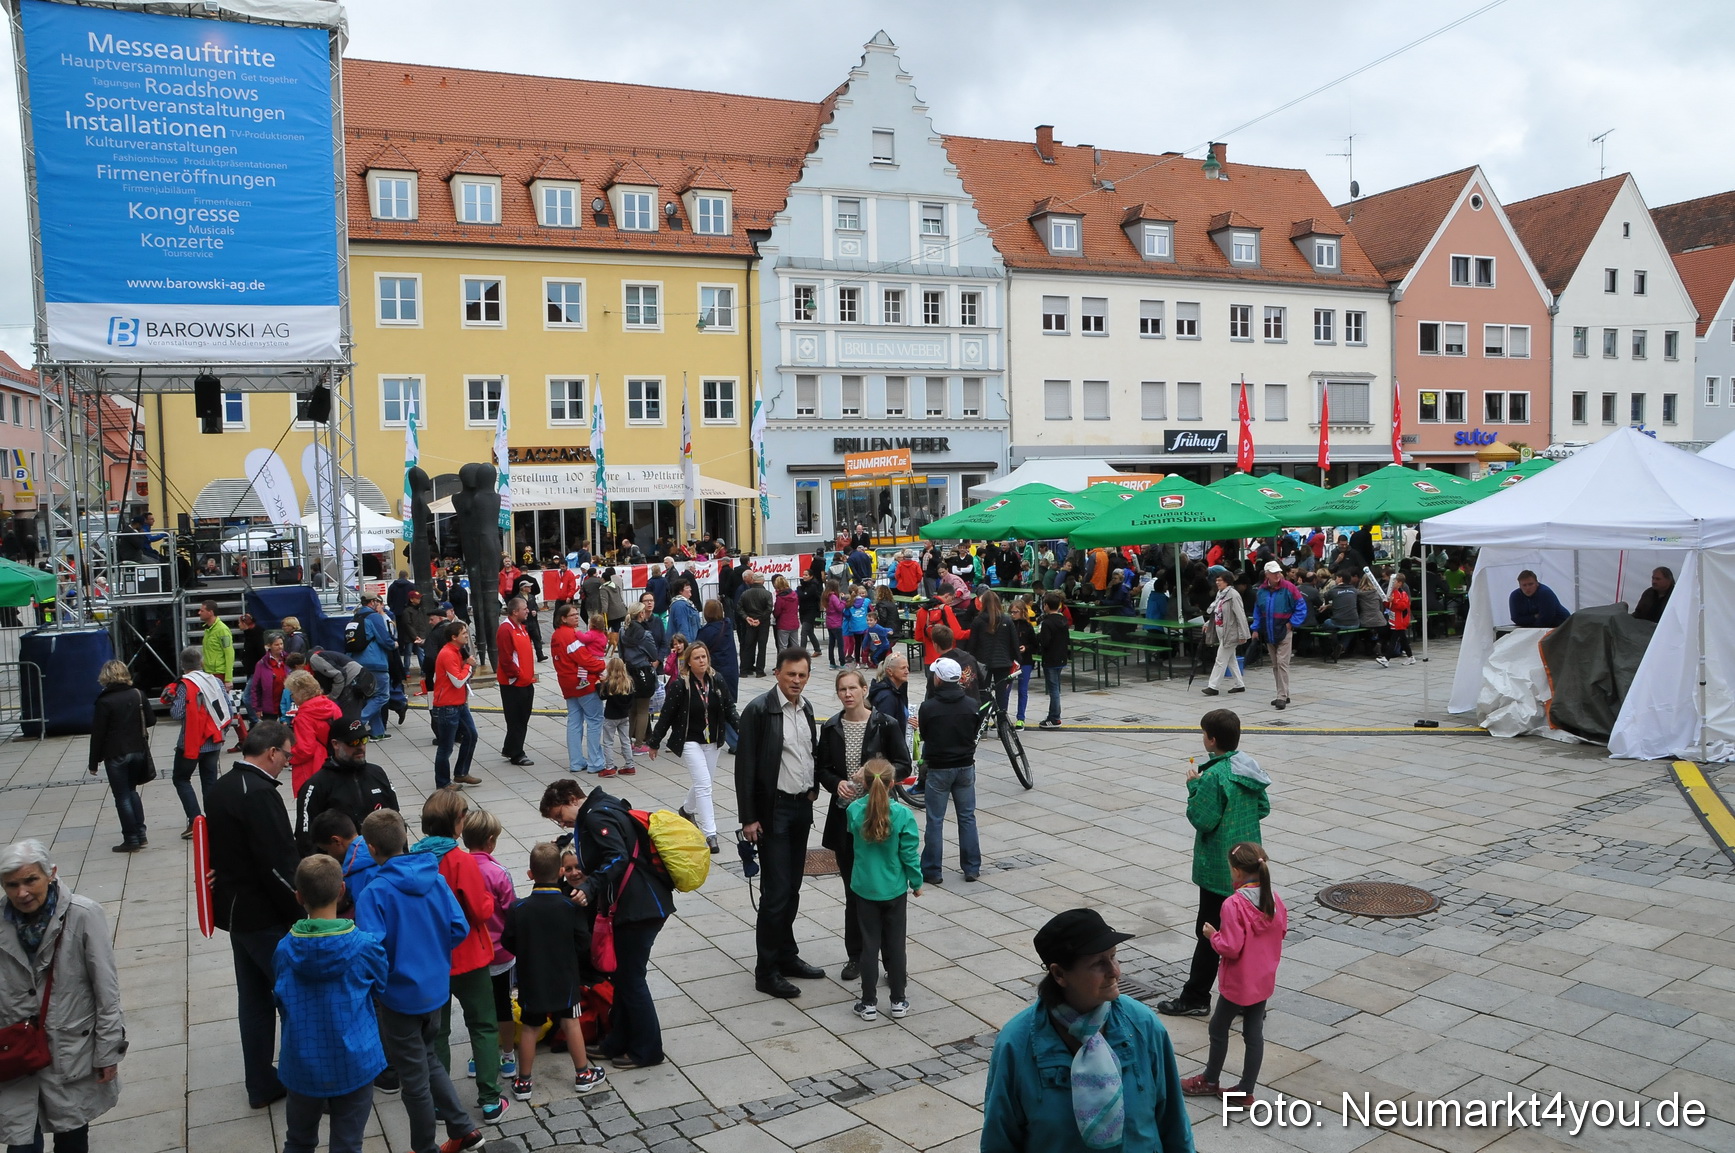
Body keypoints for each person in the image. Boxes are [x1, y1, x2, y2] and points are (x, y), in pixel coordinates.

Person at [981, 908, 1193, 1153]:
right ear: (1059, 974)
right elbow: (999, 1139)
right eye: (1098, 963)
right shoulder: (1017, 1043)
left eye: (1113, 957)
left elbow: (1173, 1121)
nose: (1114, 971)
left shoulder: (1142, 1024)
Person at [352, 809, 481, 1153]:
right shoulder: (435, 877)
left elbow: (370, 949)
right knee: (428, 1058)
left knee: (414, 1081)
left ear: (372, 848)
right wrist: (432, 957)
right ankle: (463, 1128)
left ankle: (424, 1147)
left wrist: (382, 981)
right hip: (435, 991)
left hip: (398, 998)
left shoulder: (374, 893)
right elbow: (459, 928)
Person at [0, 840, 127, 1153]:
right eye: (11, 885)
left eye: (30, 880)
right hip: (15, 1052)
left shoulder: (83, 915)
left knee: (71, 1136)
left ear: (51, 874)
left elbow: (106, 989)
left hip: (71, 1049)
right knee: (21, 1143)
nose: (22, 893)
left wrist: (108, 1050)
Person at [541, 778, 673, 1068]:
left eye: (559, 816)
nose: (562, 824)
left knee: (632, 979)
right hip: (642, 903)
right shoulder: (604, 805)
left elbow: (617, 857)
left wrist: (590, 887)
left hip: (639, 908)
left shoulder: (595, 815)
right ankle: (617, 1042)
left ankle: (648, 1050)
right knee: (625, 978)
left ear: (572, 800)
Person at [206, 720, 301, 1109]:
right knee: (294, 1000)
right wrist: (301, 912)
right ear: (272, 752)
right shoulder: (260, 794)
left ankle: (261, 1083)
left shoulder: (221, 786)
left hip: (235, 914)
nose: (288, 763)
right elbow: (278, 863)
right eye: (288, 756)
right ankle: (306, 1081)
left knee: (254, 1002)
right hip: (264, 917)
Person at [1158, 709, 1272, 1019]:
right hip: (1249, 862)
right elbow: (1263, 807)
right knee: (1245, 933)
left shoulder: (1214, 776)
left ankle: (1195, 996)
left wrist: (1194, 787)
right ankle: (1248, 1001)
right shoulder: (1249, 768)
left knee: (1210, 933)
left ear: (1211, 740)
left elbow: (1203, 820)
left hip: (1221, 870)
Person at [275, 854, 389, 1153]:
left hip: (301, 1061)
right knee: (348, 1143)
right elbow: (381, 986)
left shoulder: (285, 949)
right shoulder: (365, 946)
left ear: (299, 896)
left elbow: (280, 998)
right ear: (342, 890)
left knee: (298, 1141)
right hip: (355, 1062)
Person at [734, 648, 824, 998]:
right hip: (773, 811)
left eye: (802, 675)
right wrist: (748, 818)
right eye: (791, 675)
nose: (797, 681)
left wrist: (814, 788)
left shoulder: (806, 708)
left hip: (801, 808)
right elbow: (746, 768)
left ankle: (787, 955)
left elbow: (808, 754)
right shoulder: (759, 710)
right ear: (777, 674)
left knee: (792, 888)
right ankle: (766, 970)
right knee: (775, 893)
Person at [414, 790, 505, 1124]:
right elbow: (480, 911)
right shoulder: (460, 861)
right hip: (467, 957)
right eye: (464, 813)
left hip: (431, 960)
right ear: (456, 822)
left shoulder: (414, 858)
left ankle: (440, 1103)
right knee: (482, 1024)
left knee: (437, 1031)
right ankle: (490, 1099)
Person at [817, 669, 913, 986]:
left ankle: (890, 960)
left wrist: (876, 776)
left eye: (852, 688)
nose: (847, 694)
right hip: (847, 819)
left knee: (886, 890)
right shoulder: (831, 727)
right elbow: (823, 769)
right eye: (842, 689)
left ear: (862, 690)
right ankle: (856, 956)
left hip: (880, 817)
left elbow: (903, 763)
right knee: (854, 891)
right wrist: (837, 784)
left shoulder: (884, 723)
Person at [1181, 842, 1287, 1104]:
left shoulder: (1233, 904)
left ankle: (1210, 1079)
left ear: (1237, 872)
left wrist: (1212, 936)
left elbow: (1230, 947)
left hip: (1239, 982)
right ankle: (1245, 1090)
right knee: (1253, 1034)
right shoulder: (1274, 899)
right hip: (1262, 979)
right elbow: (1281, 931)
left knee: (1218, 1028)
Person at [501, 843, 607, 1099]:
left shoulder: (519, 909)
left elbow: (508, 942)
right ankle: (583, 1074)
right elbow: (583, 942)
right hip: (565, 977)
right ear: (560, 872)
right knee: (571, 1024)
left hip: (532, 977)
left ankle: (524, 1081)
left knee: (529, 1026)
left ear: (530, 874)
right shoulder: (571, 908)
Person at [846, 757, 922, 1022]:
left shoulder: (855, 810)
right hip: (894, 888)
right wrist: (916, 882)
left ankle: (868, 1002)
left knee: (869, 945)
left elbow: (851, 833)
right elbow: (909, 853)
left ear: (864, 783)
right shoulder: (903, 815)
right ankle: (898, 999)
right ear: (893, 784)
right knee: (895, 944)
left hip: (865, 887)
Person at [458, 809, 519, 1084]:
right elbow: (511, 911)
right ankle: (508, 1056)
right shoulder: (499, 873)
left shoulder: (458, 869)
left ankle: (479, 1056)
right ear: (491, 840)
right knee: (502, 1005)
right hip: (500, 953)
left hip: (470, 952)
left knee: (477, 1011)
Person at [917, 658, 981, 886]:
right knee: (967, 817)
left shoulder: (929, 707)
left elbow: (925, 734)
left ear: (939, 679)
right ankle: (972, 867)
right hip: (965, 765)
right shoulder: (971, 705)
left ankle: (933, 870)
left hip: (939, 767)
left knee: (935, 819)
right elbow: (974, 730)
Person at [295, 716, 401, 853]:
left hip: (380, 861)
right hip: (341, 867)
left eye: (364, 740)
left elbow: (396, 820)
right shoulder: (316, 785)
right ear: (335, 744)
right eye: (353, 742)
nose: (360, 747)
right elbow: (305, 838)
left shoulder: (377, 773)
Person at [86, 660, 154, 852]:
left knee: (122, 796)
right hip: (138, 750)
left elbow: (98, 734)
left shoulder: (104, 701)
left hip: (116, 754)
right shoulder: (137, 694)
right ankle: (141, 833)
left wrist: (93, 762)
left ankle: (131, 838)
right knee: (132, 791)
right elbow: (151, 720)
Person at [166, 645, 230, 837]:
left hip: (192, 741)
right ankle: (214, 821)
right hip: (214, 740)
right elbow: (228, 708)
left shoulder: (184, 685)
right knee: (210, 780)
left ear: (182, 665)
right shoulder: (215, 681)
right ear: (201, 662)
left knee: (181, 778)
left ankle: (195, 820)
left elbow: (177, 713)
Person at [1249, 561, 1306, 711]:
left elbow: (1301, 607)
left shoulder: (1289, 587)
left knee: (1281, 663)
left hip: (1282, 630)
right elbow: (1258, 611)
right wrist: (1255, 628)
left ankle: (1281, 696)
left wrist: (1291, 624)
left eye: (1278, 572)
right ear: (1267, 574)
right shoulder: (1261, 591)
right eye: (1274, 573)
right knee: (1276, 664)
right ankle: (1284, 693)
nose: (1277, 575)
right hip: (1270, 631)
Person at [432, 623, 482, 789]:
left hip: (458, 704)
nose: (467, 635)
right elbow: (458, 680)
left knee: (471, 735)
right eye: (464, 633)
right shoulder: (448, 654)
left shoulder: (456, 652)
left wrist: (467, 666)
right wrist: (468, 665)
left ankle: (461, 773)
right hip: (447, 706)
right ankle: (443, 782)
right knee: (446, 747)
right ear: (454, 637)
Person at [495, 597, 537, 768]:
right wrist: (517, 675)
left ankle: (510, 747)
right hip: (514, 683)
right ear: (514, 612)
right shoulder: (506, 630)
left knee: (522, 717)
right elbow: (506, 658)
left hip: (525, 680)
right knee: (516, 719)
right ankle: (517, 753)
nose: (527, 610)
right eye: (524, 608)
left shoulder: (520, 627)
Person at [286, 670, 342, 795]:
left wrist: (287, 756)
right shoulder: (332, 706)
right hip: (336, 761)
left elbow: (304, 750)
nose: (292, 697)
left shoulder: (303, 716)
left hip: (313, 767)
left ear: (301, 693)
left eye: (293, 693)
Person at [621, 594, 663, 753]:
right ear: (640, 614)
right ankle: (639, 744)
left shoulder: (623, 631)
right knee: (643, 710)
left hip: (629, 671)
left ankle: (629, 741)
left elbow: (622, 653)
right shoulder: (645, 635)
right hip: (644, 671)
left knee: (632, 709)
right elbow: (654, 654)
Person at [1201, 571, 1249, 697]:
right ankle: (1239, 684)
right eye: (1217, 580)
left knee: (1220, 659)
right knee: (1231, 659)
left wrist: (1243, 634)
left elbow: (1240, 615)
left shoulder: (1233, 595)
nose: (1217, 582)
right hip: (1221, 629)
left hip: (1230, 632)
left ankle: (1213, 686)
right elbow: (1216, 612)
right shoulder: (1220, 594)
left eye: (1220, 580)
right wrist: (1207, 623)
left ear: (1227, 581)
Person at [597, 656, 637, 779]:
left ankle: (609, 767)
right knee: (625, 740)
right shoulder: (629, 682)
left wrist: (598, 685)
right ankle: (629, 765)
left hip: (610, 716)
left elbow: (602, 696)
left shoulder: (609, 683)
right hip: (624, 716)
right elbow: (632, 699)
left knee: (608, 742)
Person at [1035, 592, 1070, 730]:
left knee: (1053, 688)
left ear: (1046, 606)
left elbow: (1045, 642)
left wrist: (1038, 638)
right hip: (1061, 657)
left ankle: (1055, 717)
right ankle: (1053, 715)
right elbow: (1066, 639)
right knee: (1056, 686)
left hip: (1050, 658)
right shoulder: (1063, 621)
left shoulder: (1047, 623)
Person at [924, 624, 984, 704]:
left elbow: (931, 694)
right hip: (974, 705)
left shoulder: (939, 667)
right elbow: (981, 681)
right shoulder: (969, 658)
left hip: (952, 708)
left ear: (935, 645)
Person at [736, 571, 774, 678]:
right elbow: (769, 609)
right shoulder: (767, 594)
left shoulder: (745, 593)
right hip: (763, 624)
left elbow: (739, 608)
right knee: (762, 647)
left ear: (753, 580)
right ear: (762, 581)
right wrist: (760, 619)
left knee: (748, 646)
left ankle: (743, 670)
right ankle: (759, 671)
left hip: (750, 623)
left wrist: (747, 617)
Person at [199, 600, 234, 687]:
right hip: (208, 673)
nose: (199, 613)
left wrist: (228, 679)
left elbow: (229, 654)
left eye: (202, 610)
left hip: (219, 674)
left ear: (210, 612)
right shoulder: (208, 629)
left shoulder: (222, 630)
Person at [1386, 574, 1415, 664]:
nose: (1392, 584)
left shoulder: (1403, 594)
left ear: (1400, 583)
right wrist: (1387, 601)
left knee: (1394, 640)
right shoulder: (1393, 592)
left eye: (1394, 582)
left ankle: (1386, 659)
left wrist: (1393, 601)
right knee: (1403, 640)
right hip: (1394, 619)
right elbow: (1388, 606)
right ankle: (1410, 657)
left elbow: (1402, 606)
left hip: (1400, 620)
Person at [771, 575, 801, 655]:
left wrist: (774, 615)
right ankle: (796, 663)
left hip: (783, 624)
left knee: (783, 647)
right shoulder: (794, 594)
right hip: (794, 622)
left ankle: (783, 665)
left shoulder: (780, 598)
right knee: (795, 645)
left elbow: (777, 612)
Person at [797, 571, 824, 657]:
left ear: (811, 576)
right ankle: (817, 649)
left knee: (804, 631)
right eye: (803, 574)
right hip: (803, 611)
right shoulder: (802, 586)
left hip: (811, 612)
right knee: (809, 632)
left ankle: (802, 652)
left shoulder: (813, 586)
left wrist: (799, 590)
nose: (804, 576)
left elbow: (804, 596)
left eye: (806, 575)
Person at [824, 581, 848, 668]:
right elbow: (839, 608)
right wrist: (844, 601)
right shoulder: (833, 597)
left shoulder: (826, 596)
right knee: (840, 644)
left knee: (831, 643)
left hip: (829, 622)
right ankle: (842, 663)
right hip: (836, 622)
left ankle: (832, 662)